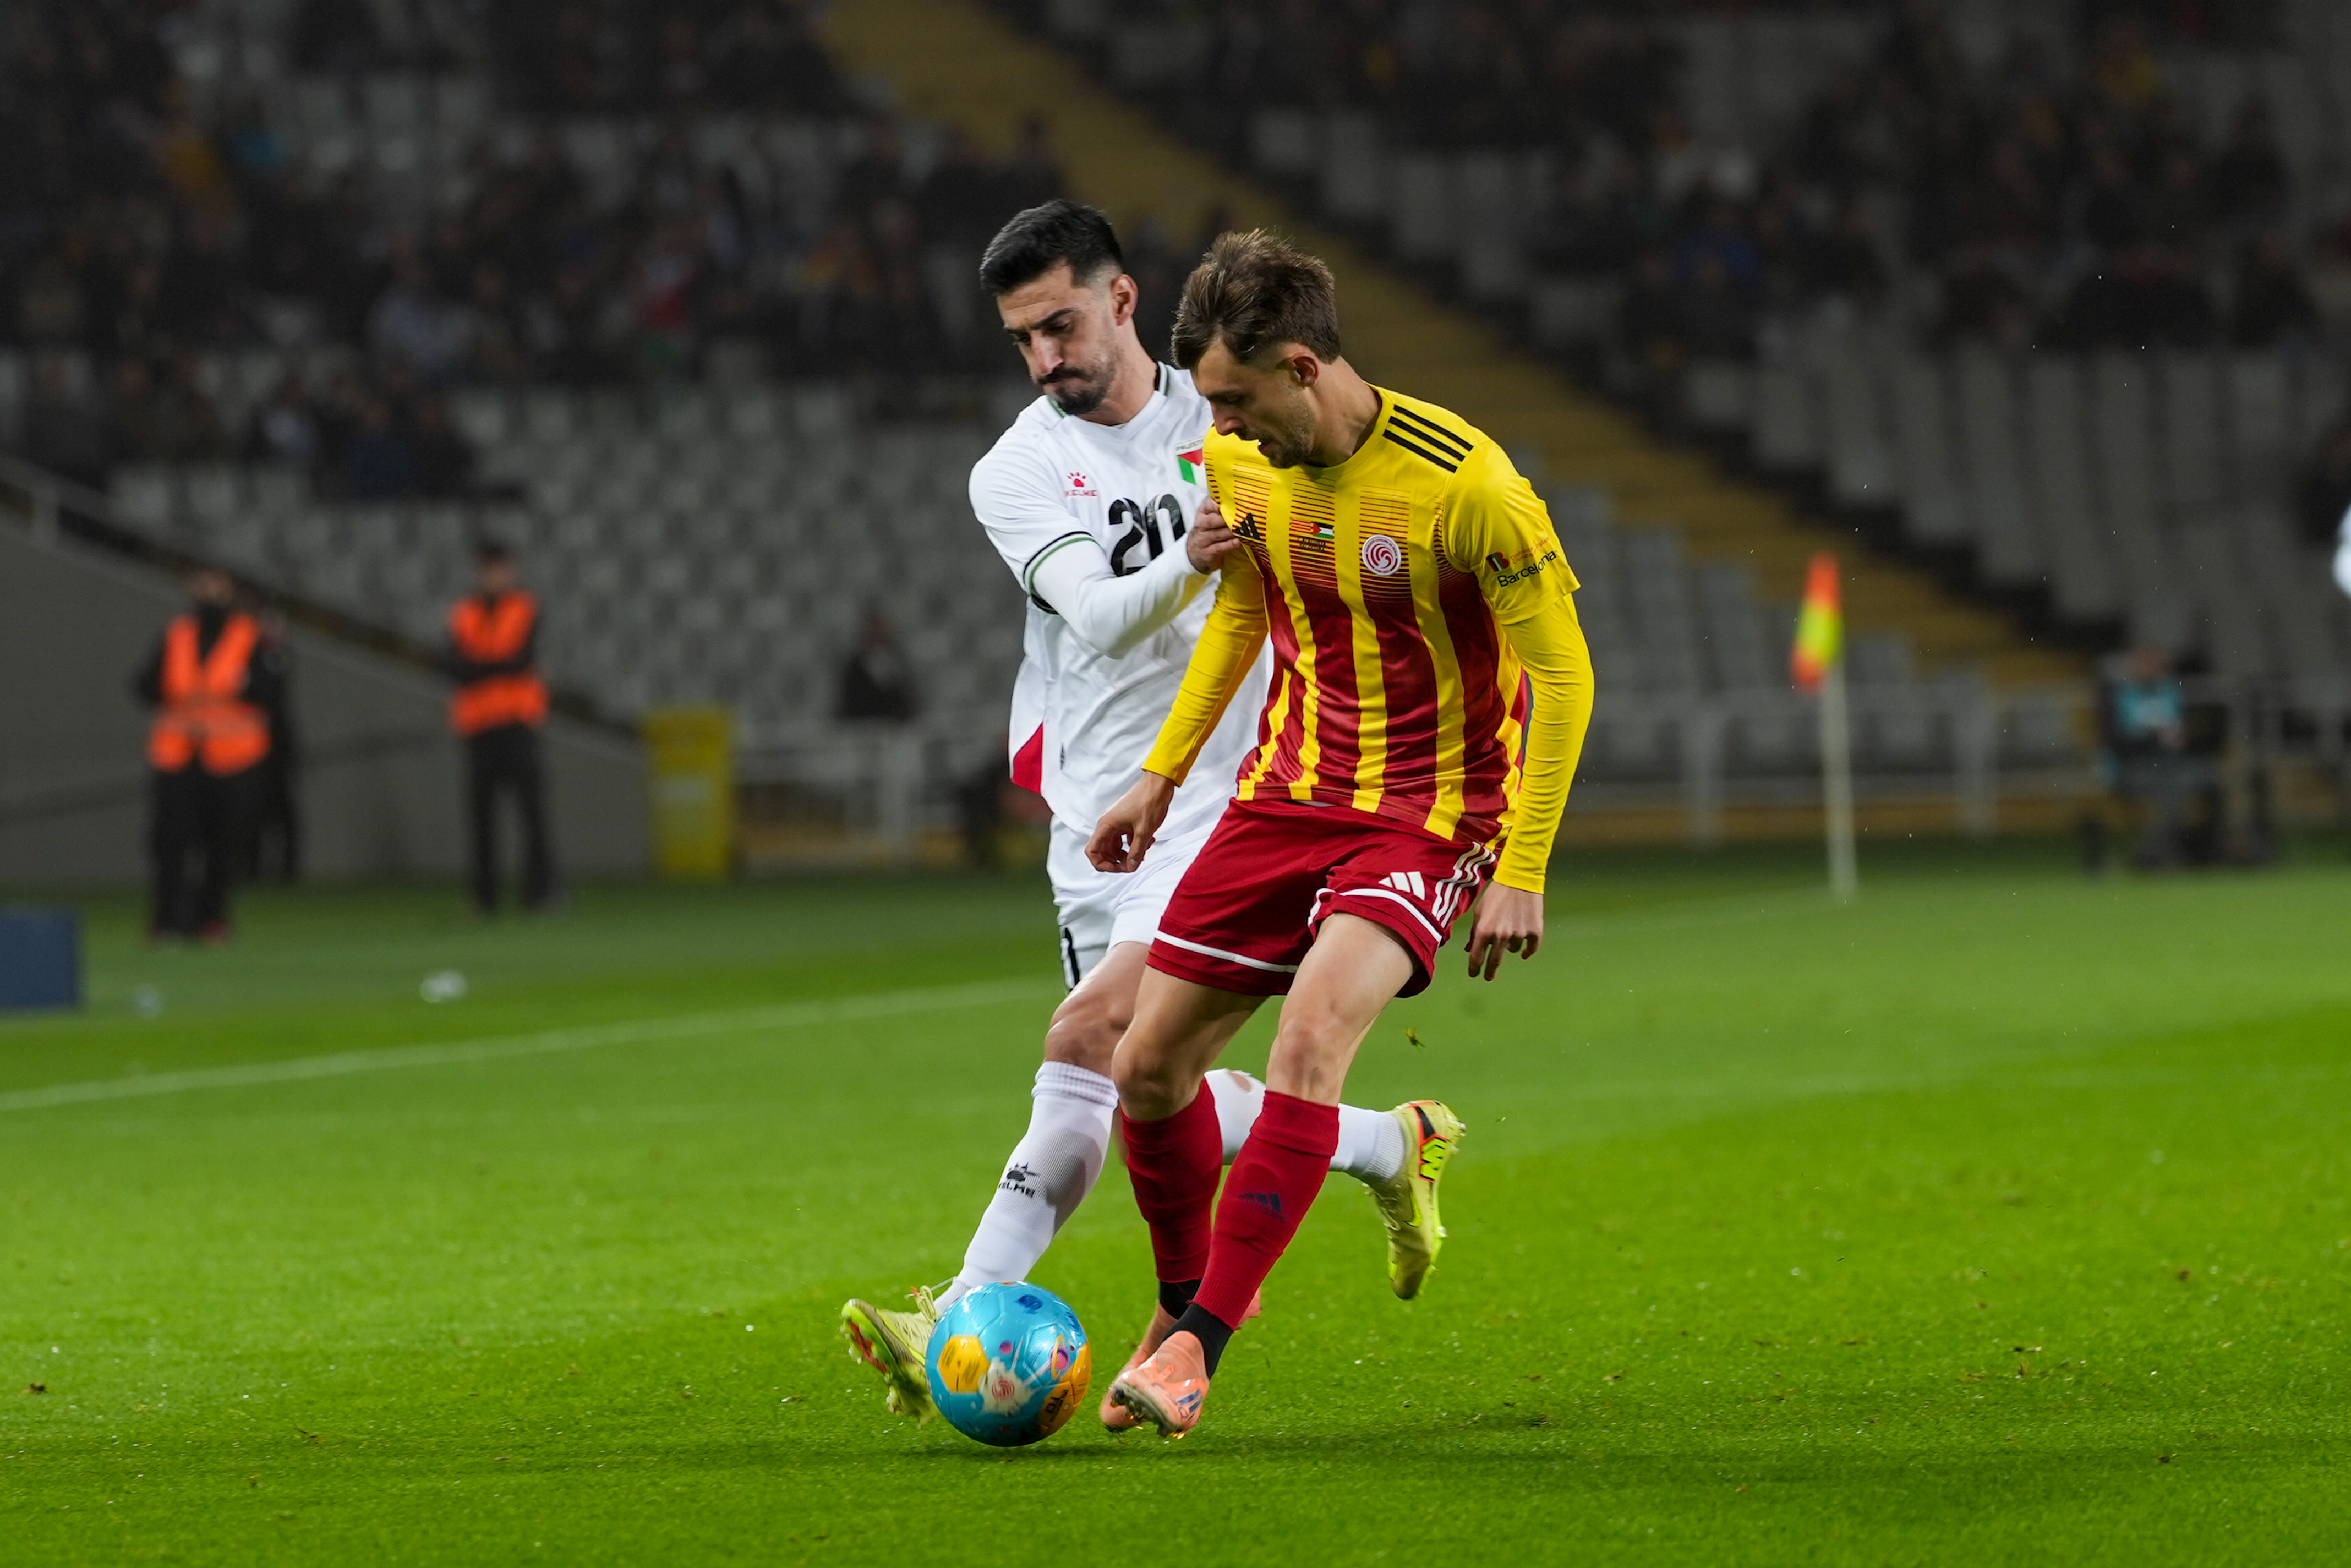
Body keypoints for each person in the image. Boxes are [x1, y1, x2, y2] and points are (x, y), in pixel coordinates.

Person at [838, 202, 1460, 1425]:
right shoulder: (1016, 467)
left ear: (1124, 303)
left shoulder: (1227, 410)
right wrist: (1201, 552)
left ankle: (962, 1306)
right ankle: (1387, 1142)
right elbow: (1103, 611)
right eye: (1021, 338)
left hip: (1237, 786)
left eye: (1061, 324)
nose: (1045, 357)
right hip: (1101, 801)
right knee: (1133, 1080)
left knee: (1090, 1038)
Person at [1089, 230, 1595, 1437]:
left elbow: (1564, 677)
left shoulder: (1467, 485)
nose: (1216, 423)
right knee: (1143, 1068)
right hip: (1283, 796)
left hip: (1429, 812)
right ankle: (1180, 1301)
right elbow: (1242, 613)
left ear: (1304, 366)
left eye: (1232, 397)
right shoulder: (1237, 463)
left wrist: (1520, 862)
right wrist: (1160, 778)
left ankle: (1197, 1348)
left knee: (1311, 1037)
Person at [134, 568, 286, 942]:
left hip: (235, 757)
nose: (208, 592)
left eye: (216, 585)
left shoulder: (251, 636)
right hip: (179, 753)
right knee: (170, 839)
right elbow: (145, 683)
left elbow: (272, 691)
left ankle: (212, 916)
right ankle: (169, 916)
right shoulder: (177, 634)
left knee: (224, 842)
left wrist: (241, 689)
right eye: (201, 583)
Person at [447, 542, 557, 914]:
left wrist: (483, 666)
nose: (494, 576)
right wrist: (496, 665)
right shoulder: (464, 613)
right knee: (481, 816)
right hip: (479, 727)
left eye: (500, 568)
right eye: (488, 569)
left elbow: (519, 659)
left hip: (518, 722)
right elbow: (458, 667)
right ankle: (484, 896)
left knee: (532, 813)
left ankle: (541, 893)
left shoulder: (524, 607)